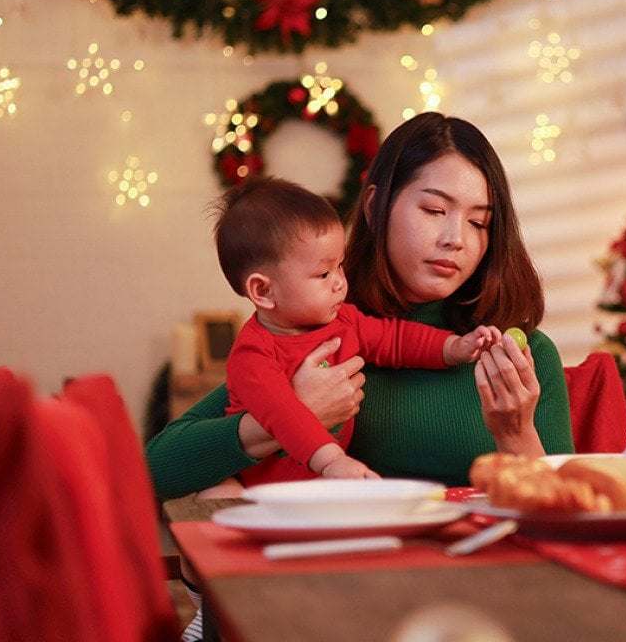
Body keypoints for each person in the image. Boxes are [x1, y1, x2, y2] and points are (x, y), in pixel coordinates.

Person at [146, 111, 575, 497]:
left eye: (479, 222)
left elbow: (563, 514)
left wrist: (517, 435)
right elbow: (156, 468)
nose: (456, 239)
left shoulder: (522, 355)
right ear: (376, 206)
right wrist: (294, 414)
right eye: (433, 210)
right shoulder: (324, 331)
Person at [211, 176, 501, 484]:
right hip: (257, 487)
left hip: (316, 482)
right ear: (264, 291)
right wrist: (334, 460)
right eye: (323, 273)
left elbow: (397, 339)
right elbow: (284, 416)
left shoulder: (345, 321)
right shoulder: (253, 354)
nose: (339, 281)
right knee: (216, 496)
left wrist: (454, 347)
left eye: (339, 266)